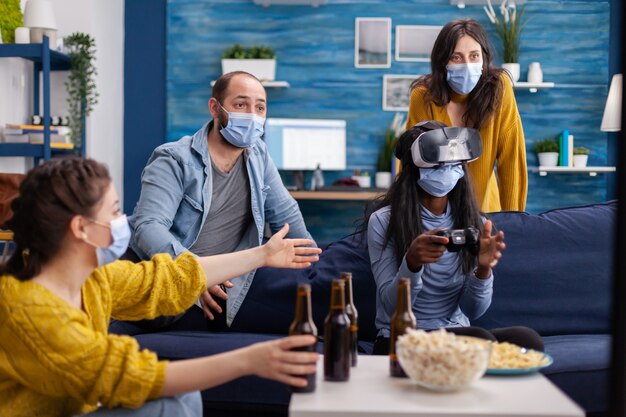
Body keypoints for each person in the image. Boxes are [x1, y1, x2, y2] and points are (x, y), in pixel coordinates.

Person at [0, 157, 322, 417]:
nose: (123, 220)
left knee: (184, 394)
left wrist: (263, 255)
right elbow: (130, 375)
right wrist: (249, 360)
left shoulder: (93, 280)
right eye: (114, 212)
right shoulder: (29, 309)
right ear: (81, 228)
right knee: (166, 403)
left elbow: (168, 280)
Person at [127, 71, 314, 329]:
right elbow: (148, 228)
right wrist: (197, 275)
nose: (251, 115)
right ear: (215, 108)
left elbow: (286, 213)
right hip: (166, 277)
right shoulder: (174, 159)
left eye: (259, 107)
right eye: (240, 105)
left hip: (226, 278)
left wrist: (312, 263)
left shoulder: (258, 153)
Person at [365, 122, 543, 355]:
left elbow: (473, 310)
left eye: (453, 163)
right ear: (413, 167)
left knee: (527, 340)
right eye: (439, 164)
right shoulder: (383, 221)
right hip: (402, 336)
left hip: (458, 331)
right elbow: (391, 307)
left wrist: (483, 270)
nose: (447, 170)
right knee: (478, 339)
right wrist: (411, 263)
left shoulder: (473, 221)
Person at [406, 19, 527, 212]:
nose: (467, 65)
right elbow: (411, 164)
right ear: (442, 60)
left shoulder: (499, 88)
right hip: (436, 216)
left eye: (474, 56)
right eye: (456, 57)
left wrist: (513, 221)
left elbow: (511, 161)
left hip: (488, 213)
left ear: (484, 58)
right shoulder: (423, 96)